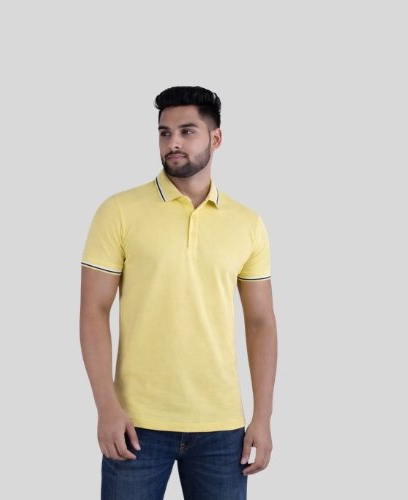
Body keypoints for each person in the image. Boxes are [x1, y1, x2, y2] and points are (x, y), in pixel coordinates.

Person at [79, 85, 278, 499]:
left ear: (215, 138)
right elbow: (94, 310)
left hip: (222, 429)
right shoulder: (118, 211)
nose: (173, 143)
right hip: (135, 426)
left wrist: (263, 416)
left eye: (187, 131)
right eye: (164, 132)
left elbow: (261, 322)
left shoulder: (247, 223)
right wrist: (106, 407)